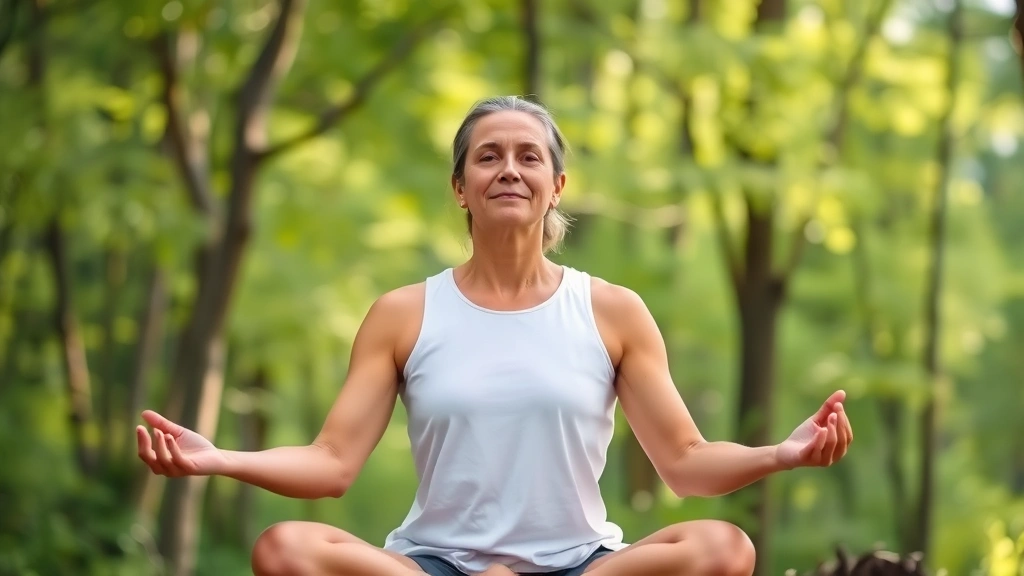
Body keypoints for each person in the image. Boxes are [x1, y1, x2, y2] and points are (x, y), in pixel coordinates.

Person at [136, 95, 853, 576]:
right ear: (460, 187)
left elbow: (688, 464)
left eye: (528, 156)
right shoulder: (404, 313)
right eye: (488, 156)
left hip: (579, 565)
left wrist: (782, 454)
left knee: (724, 547)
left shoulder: (612, 311)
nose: (509, 168)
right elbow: (331, 465)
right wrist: (217, 458)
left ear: (557, 184)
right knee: (284, 549)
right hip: (434, 565)